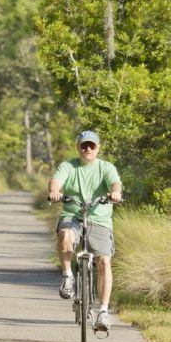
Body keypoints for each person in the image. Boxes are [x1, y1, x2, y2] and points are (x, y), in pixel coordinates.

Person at [47, 129, 123, 330]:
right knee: (65, 235)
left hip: (99, 218)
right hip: (73, 215)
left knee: (103, 262)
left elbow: (115, 184)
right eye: (84, 145)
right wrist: (54, 191)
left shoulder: (106, 167)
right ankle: (68, 277)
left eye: (92, 145)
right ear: (78, 147)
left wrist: (115, 193)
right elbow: (56, 180)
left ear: (98, 148)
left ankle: (104, 312)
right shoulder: (68, 166)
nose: (88, 148)